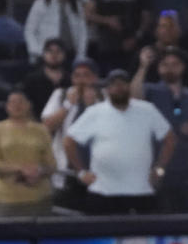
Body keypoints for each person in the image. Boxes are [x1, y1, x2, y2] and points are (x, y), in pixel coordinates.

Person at [64, 68, 176, 215]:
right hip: (102, 191)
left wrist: (160, 169)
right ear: (107, 89)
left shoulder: (147, 110)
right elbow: (68, 141)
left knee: (141, 237)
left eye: (122, 84)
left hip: (141, 191)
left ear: (129, 86)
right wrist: (81, 172)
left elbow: (170, 138)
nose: (118, 88)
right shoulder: (95, 112)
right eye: (114, 85)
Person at [130, 46, 188, 213]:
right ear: (159, 68)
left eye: (175, 64)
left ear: (182, 67)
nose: (170, 68)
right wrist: (143, 66)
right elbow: (134, 96)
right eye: (165, 64)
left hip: (187, 166)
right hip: (158, 164)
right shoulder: (151, 90)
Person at [41, 56, 102, 206]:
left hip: (99, 169)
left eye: (86, 75)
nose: (81, 80)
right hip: (67, 170)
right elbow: (47, 126)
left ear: (94, 78)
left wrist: (92, 107)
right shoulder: (61, 95)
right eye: (77, 75)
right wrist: (68, 105)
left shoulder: (104, 97)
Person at [0, 90, 56, 217]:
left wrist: (39, 171)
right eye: (12, 102)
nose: (17, 106)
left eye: (21, 102)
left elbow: (52, 165)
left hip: (40, 197)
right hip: (6, 199)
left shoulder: (41, 130)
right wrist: (22, 169)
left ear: (29, 105)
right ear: (6, 106)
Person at [23, 0, 88, 61]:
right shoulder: (41, 3)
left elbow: (82, 32)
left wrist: (81, 55)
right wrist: (38, 51)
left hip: (71, 54)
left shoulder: (76, 4)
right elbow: (29, 31)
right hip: (46, 55)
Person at [22, 38, 70, 117]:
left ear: (64, 55)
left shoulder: (70, 79)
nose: (54, 55)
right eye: (50, 51)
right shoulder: (32, 80)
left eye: (58, 51)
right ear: (43, 54)